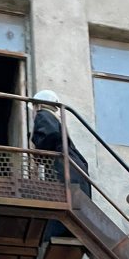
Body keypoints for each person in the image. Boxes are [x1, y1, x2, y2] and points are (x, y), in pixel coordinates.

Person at [30, 89, 92, 241]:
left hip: (64, 170)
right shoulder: (57, 119)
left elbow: (50, 135)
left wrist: (38, 151)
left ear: (39, 105)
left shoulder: (43, 115)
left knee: (58, 211)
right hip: (75, 170)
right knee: (74, 216)